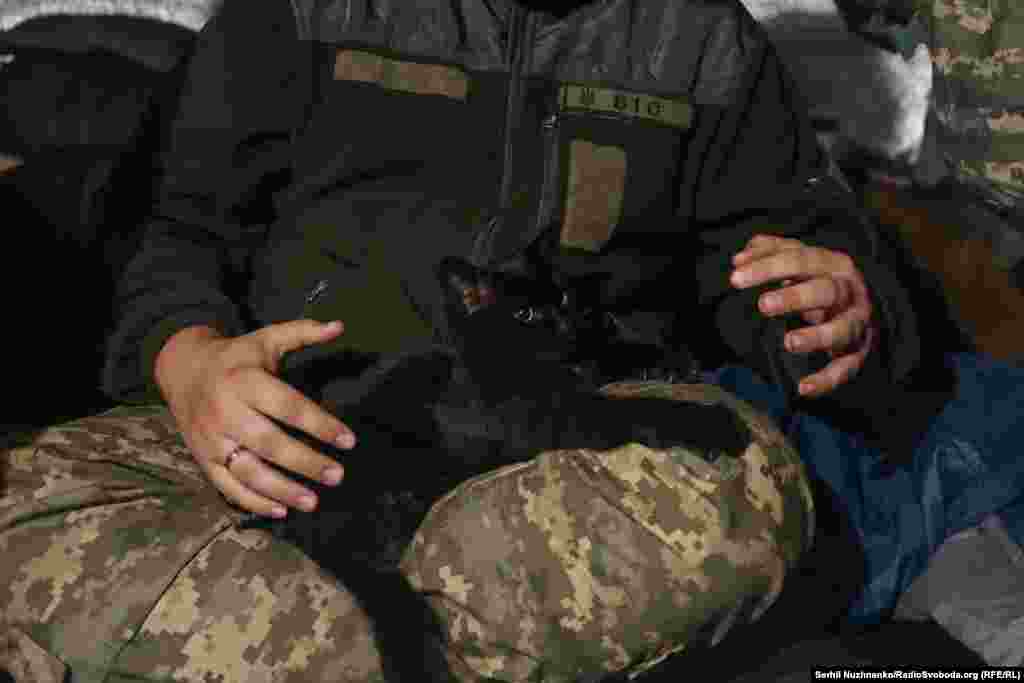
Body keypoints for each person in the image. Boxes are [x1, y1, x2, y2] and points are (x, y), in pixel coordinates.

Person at [2, 0, 1023, 680]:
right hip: (283, 427)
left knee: (728, 508)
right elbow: (172, 228)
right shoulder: (298, 11)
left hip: (579, 442)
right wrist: (189, 364)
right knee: (33, 531)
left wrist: (836, 303)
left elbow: (791, 251)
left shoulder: (701, 41)